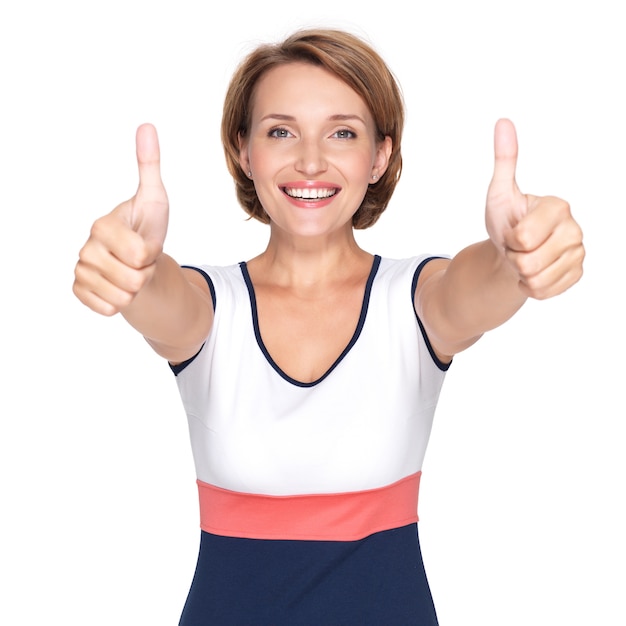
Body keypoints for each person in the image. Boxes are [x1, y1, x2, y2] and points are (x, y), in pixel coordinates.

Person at [73, 28, 584, 626]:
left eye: (342, 132)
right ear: (244, 152)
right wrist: (131, 266)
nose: (310, 160)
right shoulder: (212, 306)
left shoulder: (414, 300)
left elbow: (478, 288)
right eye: (280, 131)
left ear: (379, 157)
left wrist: (519, 259)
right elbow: (162, 297)